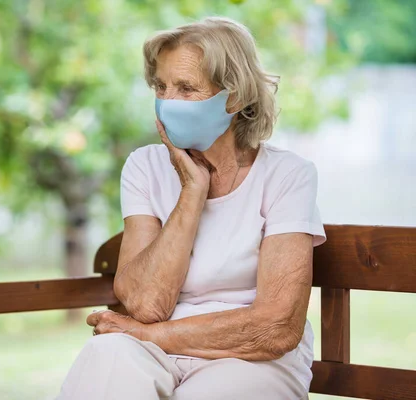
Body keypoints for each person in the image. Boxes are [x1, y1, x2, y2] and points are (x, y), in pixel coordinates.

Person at [57, 16, 325, 400]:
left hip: (248, 357)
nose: (168, 103)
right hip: (153, 348)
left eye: (186, 89)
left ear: (234, 96)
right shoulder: (144, 166)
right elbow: (145, 304)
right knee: (107, 355)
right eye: (161, 87)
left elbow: (276, 327)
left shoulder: (287, 174)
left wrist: (150, 334)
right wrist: (191, 192)